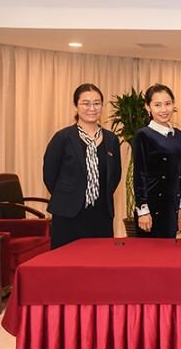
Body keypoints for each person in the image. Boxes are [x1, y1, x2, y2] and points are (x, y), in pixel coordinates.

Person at [43, 83, 122, 248]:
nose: (92, 108)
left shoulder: (111, 139)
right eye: (86, 103)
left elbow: (115, 175)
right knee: (66, 260)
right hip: (68, 214)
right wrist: (71, 195)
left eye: (96, 103)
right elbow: (50, 175)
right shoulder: (63, 138)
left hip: (101, 214)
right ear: (76, 105)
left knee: (99, 259)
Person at [132, 84, 181, 238]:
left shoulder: (177, 134)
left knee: (169, 250)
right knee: (150, 251)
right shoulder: (143, 135)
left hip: (171, 206)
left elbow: (180, 170)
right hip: (151, 207)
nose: (164, 109)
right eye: (157, 105)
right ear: (148, 107)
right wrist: (143, 210)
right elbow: (139, 174)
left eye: (168, 104)